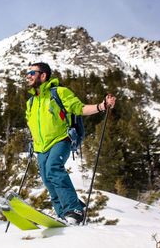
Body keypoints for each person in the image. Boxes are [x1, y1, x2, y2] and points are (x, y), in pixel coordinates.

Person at [25, 62, 116, 225]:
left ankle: (74, 210)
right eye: (27, 72)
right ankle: (63, 215)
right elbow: (32, 123)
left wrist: (102, 106)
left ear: (43, 75)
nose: (28, 75)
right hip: (41, 146)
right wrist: (32, 141)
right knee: (47, 179)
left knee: (53, 168)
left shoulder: (59, 92)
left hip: (60, 139)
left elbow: (79, 108)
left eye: (32, 72)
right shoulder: (31, 102)